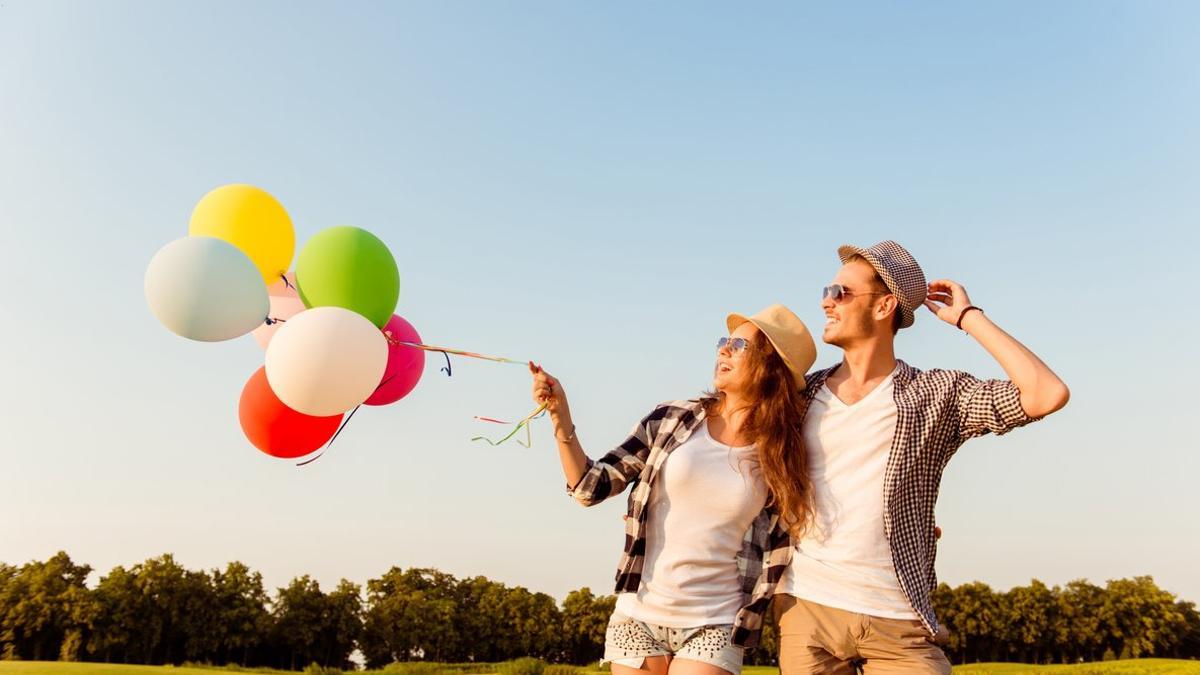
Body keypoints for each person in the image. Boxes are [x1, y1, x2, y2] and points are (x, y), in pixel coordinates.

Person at [774, 241, 1070, 674]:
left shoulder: (935, 395)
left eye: (840, 292)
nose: (825, 301)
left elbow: (1046, 394)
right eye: (827, 290)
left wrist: (969, 318)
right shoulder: (801, 395)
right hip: (807, 608)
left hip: (898, 617)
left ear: (884, 306)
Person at [529, 305, 816, 675]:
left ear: (770, 366)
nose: (723, 350)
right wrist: (559, 414)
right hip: (639, 611)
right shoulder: (671, 420)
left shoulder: (781, 455)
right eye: (723, 342)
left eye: (739, 345)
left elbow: (791, 540)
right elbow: (590, 487)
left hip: (716, 620)